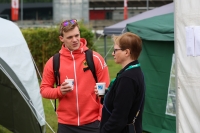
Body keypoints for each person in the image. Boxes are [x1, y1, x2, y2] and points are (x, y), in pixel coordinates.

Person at [40, 19, 110, 133]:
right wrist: (59, 91)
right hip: (66, 125)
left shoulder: (95, 58)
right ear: (61, 39)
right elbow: (44, 90)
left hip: (93, 124)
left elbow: (106, 92)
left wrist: (101, 119)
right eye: (69, 37)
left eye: (77, 35)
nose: (75, 40)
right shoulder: (53, 62)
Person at [99, 32, 145, 133]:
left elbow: (119, 118)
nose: (112, 53)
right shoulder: (134, 71)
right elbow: (123, 101)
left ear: (127, 52)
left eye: (115, 50)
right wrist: (107, 95)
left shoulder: (128, 78)